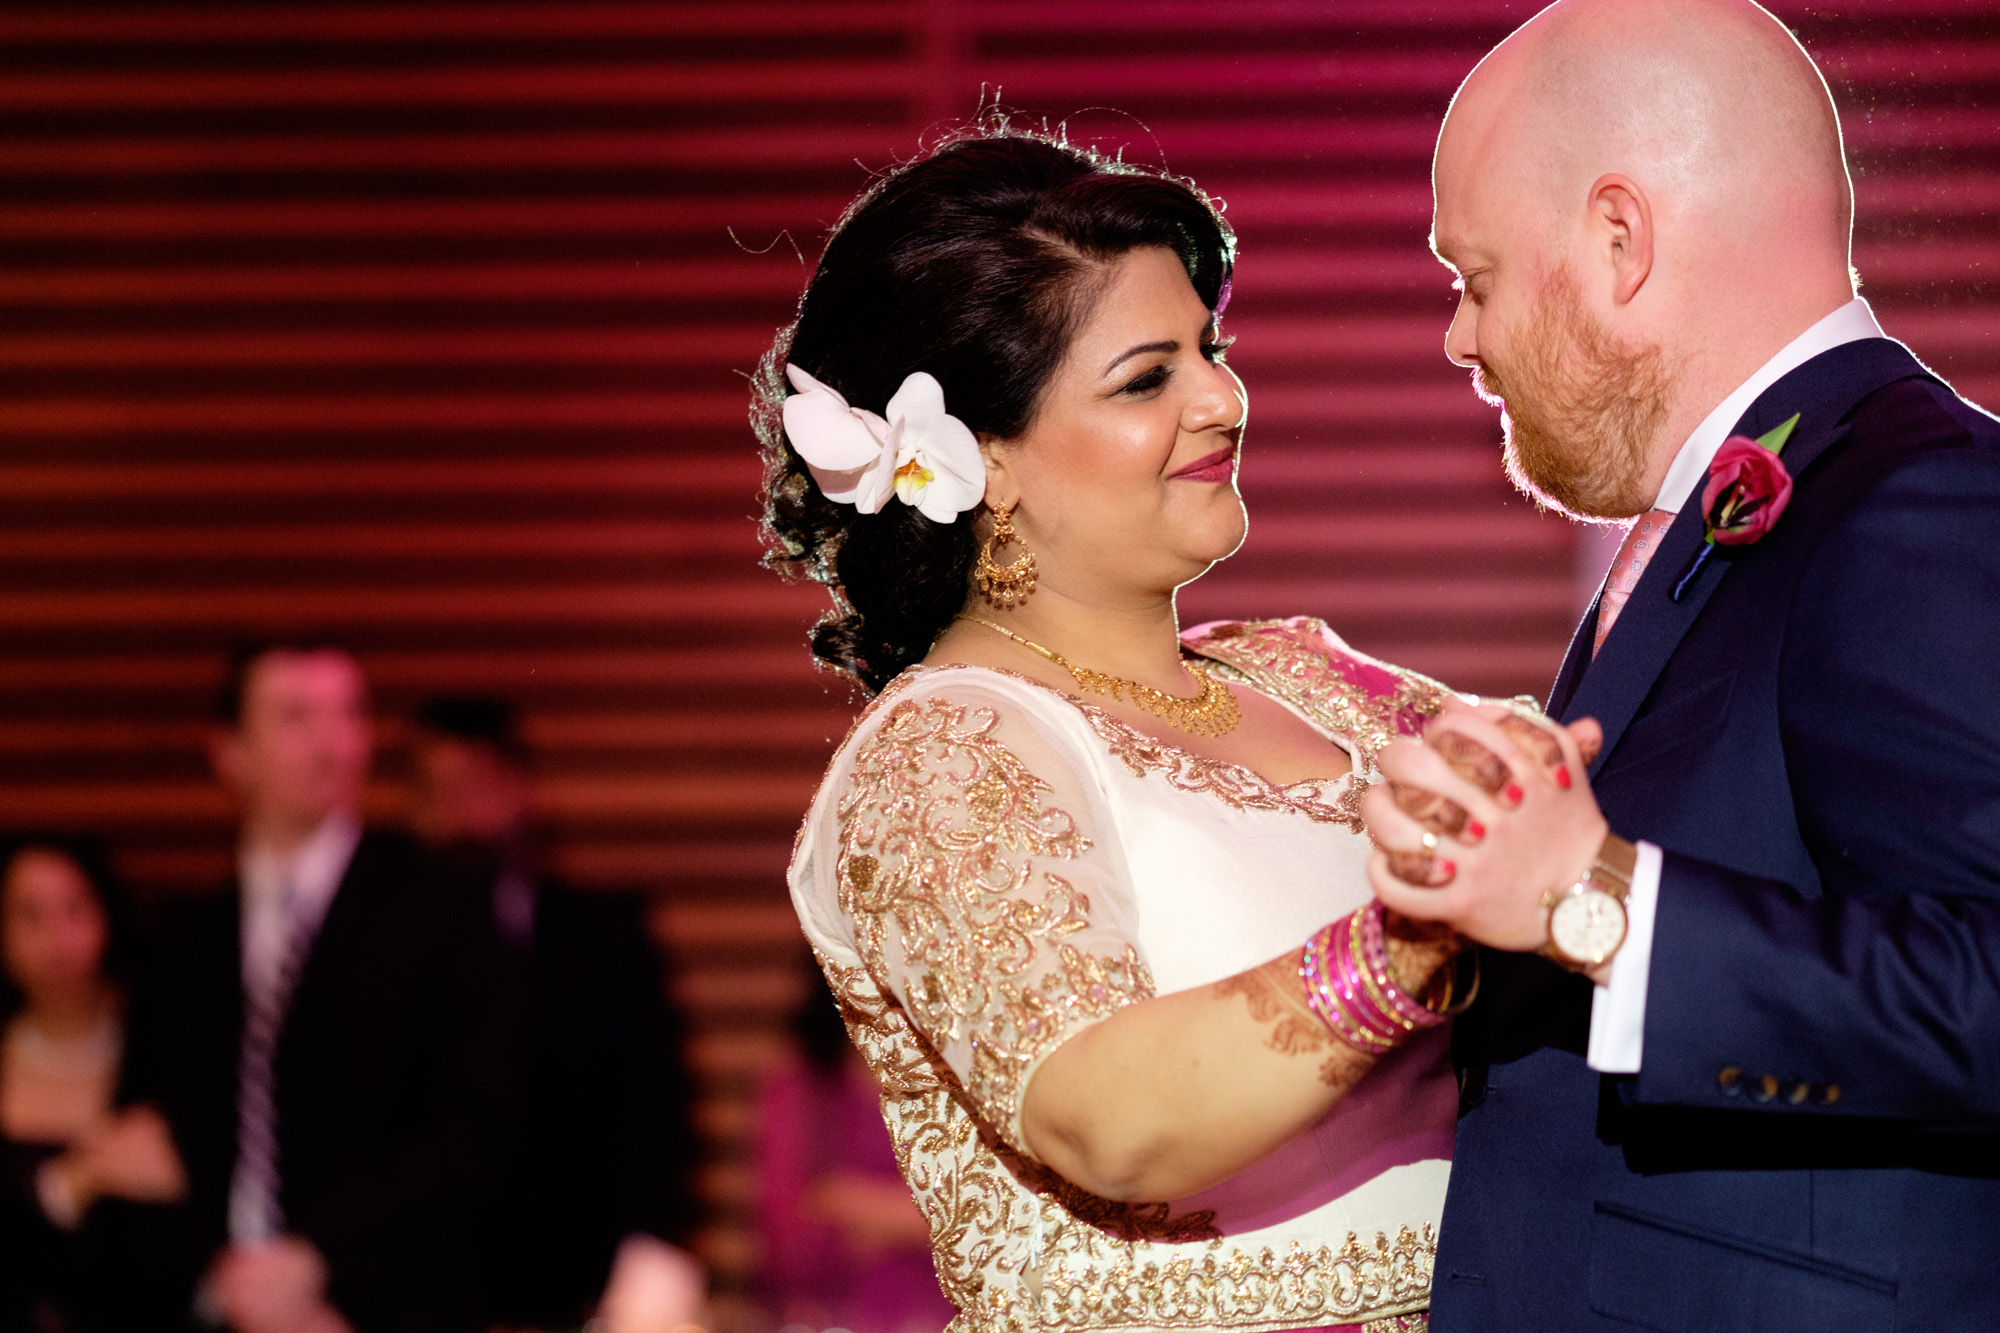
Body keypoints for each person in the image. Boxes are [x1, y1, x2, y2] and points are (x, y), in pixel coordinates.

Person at [763, 125, 1487, 1333]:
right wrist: (1411, 942)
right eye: (1147, 377)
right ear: (985, 463)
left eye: (1210, 349)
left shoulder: (1312, 680)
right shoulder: (943, 754)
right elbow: (1102, 1115)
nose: (1222, 397)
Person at [1357, 2, 2000, 1329]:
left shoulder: (1914, 504)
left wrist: (1596, 901)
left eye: (1472, 277)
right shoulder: (1731, 516)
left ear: (1618, 238)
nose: (1458, 340)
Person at [121, 644, 518, 1333]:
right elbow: (152, 1132)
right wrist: (226, 1276)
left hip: (379, 1305)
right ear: (230, 750)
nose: (329, 743)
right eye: (295, 716)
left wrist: (318, 1260)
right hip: (212, 1301)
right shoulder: (183, 933)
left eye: (347, 715)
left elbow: (475, 1126)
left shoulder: (439, 906)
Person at [404, 694, 705, 1333]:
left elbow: (654, 1110)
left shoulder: (605, 936)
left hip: (581, 1287)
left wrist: (641, 1263)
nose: (457, 815)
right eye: (434, 794)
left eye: (473, 788)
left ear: (520, 790)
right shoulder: (386, 956)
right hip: (426, 1290)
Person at [0, 837, 192, 1331]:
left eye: (74, 909)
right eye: (30, 916)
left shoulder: (167, 1054)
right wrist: (75, 1180)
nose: (58, 939)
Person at [754, 955, 953, 1333]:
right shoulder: (801, 1087)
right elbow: (788, 1238)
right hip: (829, 1319)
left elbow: (1000, 1227)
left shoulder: (967, 1085)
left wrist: (858, 1204)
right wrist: (927, 1216)